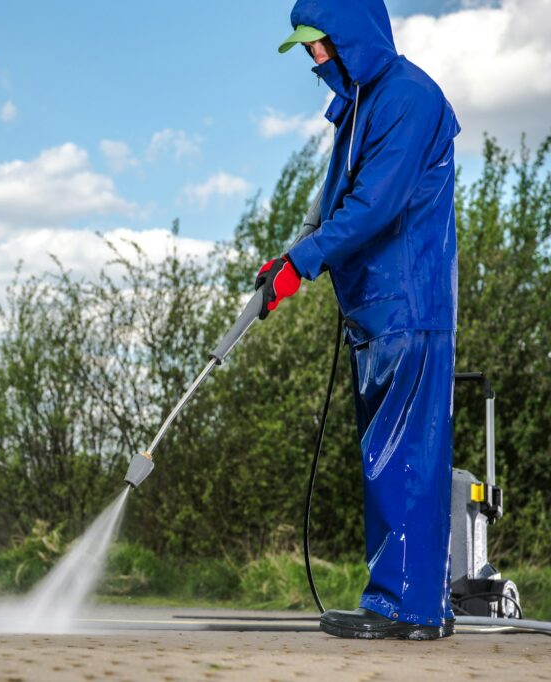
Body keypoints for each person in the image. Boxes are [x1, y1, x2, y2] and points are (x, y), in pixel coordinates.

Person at [256, 0, 461, 640]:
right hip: (378, 310)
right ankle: (422, 604)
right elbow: (335, 208)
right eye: (309, 49)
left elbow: (373, 206)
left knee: (405, 459)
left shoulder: (407, 97)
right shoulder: (362, 107)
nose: (316, 60)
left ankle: (406, 607)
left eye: (321, 44)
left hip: (407, 302)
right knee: (390, 458)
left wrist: (303, 263)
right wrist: (291, 258)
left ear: (353, 37)